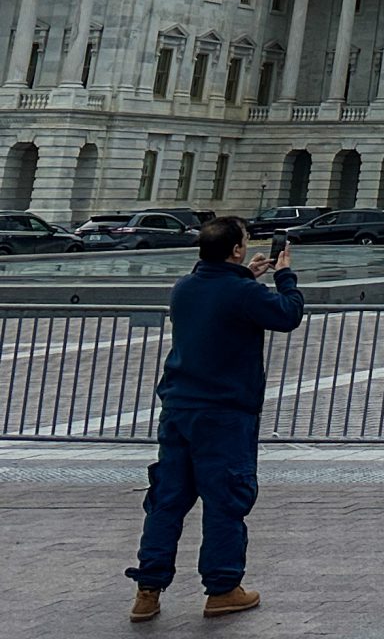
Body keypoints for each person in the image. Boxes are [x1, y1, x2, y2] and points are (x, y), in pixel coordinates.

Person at [126, 215, 304, 621]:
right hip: (224, 413)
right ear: (237, 249)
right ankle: (223, 588)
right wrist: (285, 276)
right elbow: (287, 314)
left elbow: (216, 292)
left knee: (167, 501)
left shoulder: (184, 288)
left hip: (178, 408)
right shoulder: (241, 292)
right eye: (244, 241)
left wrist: (243, 274)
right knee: (226, 500)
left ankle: (147, 591)